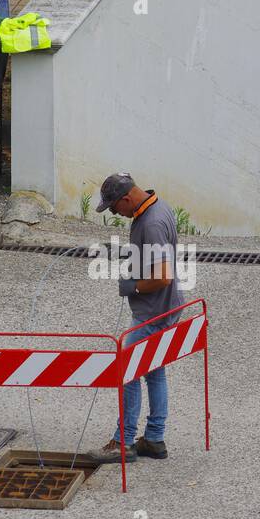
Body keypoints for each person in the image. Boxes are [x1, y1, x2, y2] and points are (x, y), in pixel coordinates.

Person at [91, 173, 183, 463]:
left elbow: (163, 276)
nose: (118, 214)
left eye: (116, 208)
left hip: (154, 312)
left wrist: (134, 286)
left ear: (127, 199)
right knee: (154, 371)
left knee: (127, 370)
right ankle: (154, 440)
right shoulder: (158, 207)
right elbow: (155, 253)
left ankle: (123, 442)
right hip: (166, 308)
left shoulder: (152, 223)